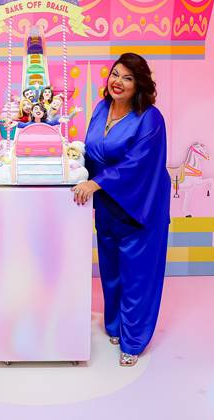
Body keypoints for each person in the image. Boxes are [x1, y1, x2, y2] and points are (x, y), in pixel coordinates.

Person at [71, 53, 170, 367]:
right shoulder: (101, 109)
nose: (118, 82)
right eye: (115, 74)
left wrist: (97, 183)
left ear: (139, 84)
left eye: (128, 78)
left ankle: (134, 341)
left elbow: (137, 163)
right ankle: (115, 326)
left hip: (140, 206)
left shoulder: (150, 118)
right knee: (111, 272)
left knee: (137, 277)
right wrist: (70, 164)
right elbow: (91, 152)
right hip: (107, 206)